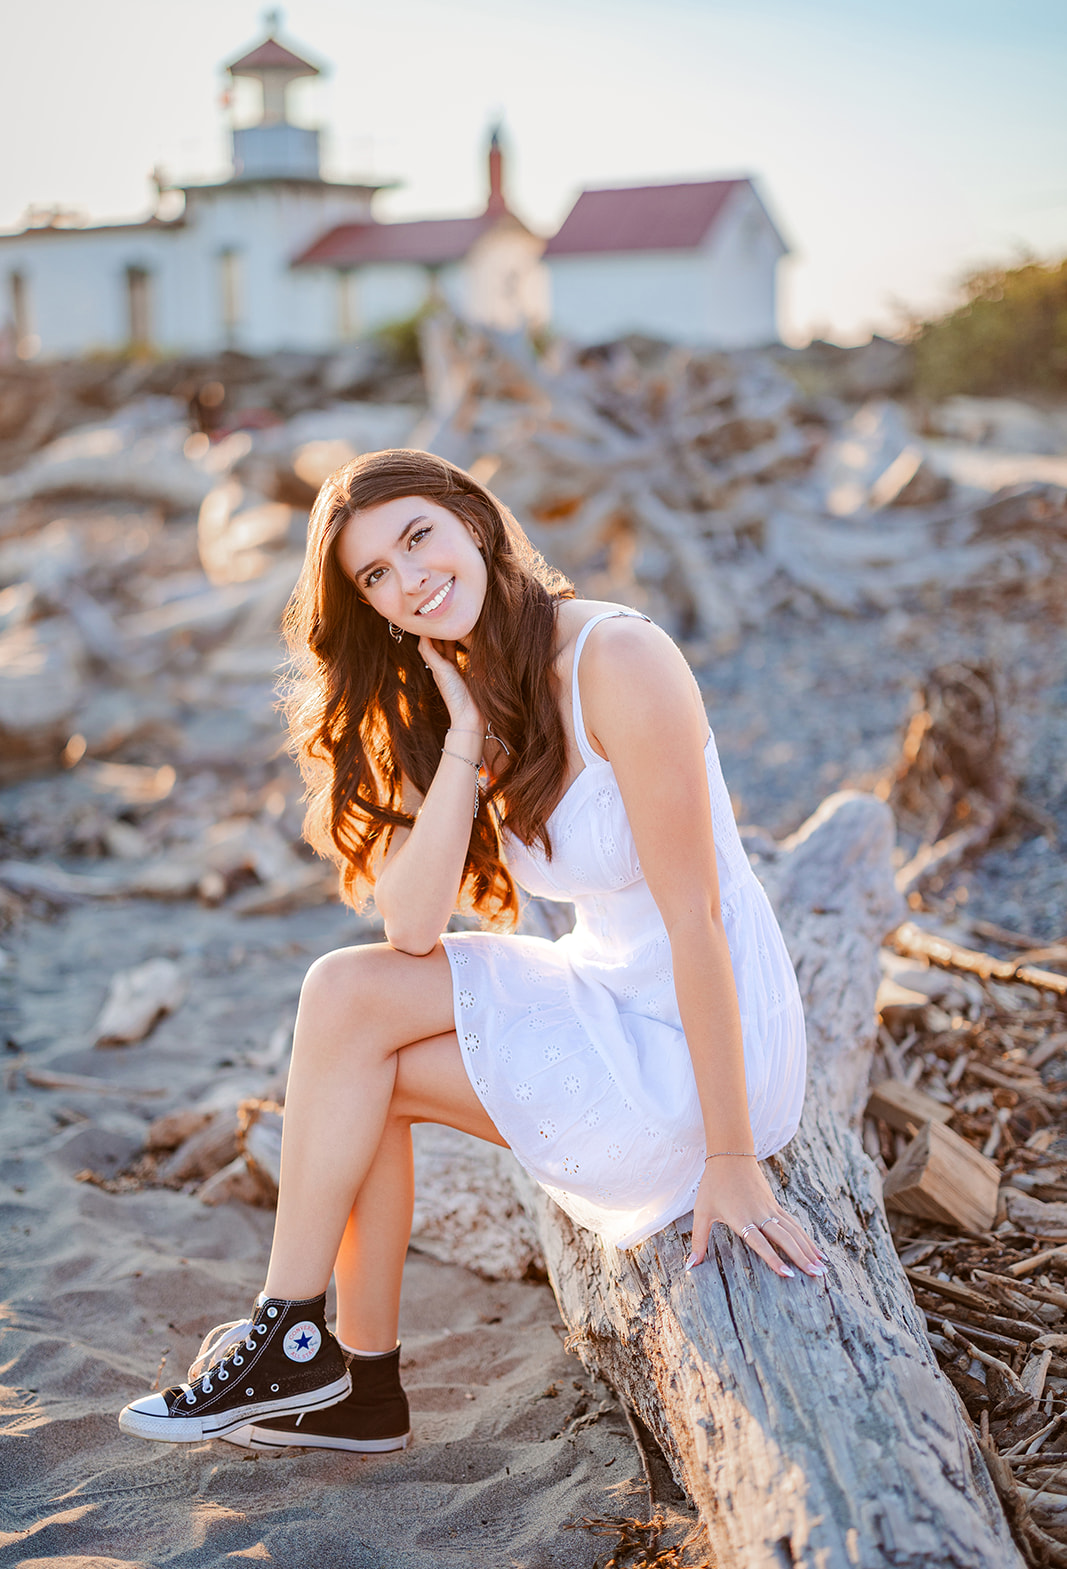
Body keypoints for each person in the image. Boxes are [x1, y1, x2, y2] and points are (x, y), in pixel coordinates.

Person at [118, 448, 823, 1453]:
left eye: (417, 538)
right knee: (345, 999)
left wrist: (730, 1155)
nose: (409, 579)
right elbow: (406, 927)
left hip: (700, 1048)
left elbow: (696, 918)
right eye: (375, 574)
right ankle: (336, 1368)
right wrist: (458, 739)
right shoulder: (461, 684)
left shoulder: (615, 659)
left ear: (475, 525)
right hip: (606, 991)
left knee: (366, 1070)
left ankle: (318, 1356)